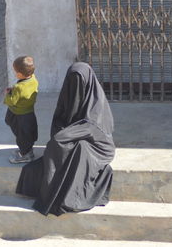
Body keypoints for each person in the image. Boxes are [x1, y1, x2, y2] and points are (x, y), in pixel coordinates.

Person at [16, 62, 115, 216]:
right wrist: (63, 134)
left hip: (97, 146)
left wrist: (64, 136)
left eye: (78, 83)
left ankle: (69, 196)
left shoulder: (96, 104)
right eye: (71, 82)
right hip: (75, 136)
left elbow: (92, 128)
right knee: (52, 152)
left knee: (78, 149)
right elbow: (60, 120)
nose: (74, 88)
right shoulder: (69, 96)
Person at [4, 56, 39, 164]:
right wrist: (13, 90)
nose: (15, 73)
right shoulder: (33, 79)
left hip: (19, 114)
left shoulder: (19, 87)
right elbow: (24, 92)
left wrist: (7, 94)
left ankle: (26, 155)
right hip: (29, 113)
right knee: (26, 133)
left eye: (15, 71)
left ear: (19, 74)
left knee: (22, 135)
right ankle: (26, 150)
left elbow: (12, 101)